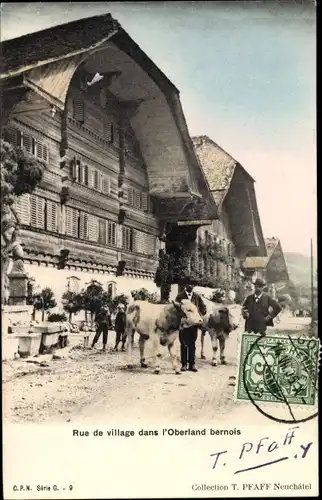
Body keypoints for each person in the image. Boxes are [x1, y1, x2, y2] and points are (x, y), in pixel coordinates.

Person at [176, 284, 207, 372]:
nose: (190, 286)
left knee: (192, 344)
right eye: (188, 284)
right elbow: (176, 309)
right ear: (185, 286)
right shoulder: (180, 296)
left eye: (192, 285)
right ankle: (184, 364)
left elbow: (204, 308)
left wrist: (198, 316)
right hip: (184, 325)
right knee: (184, 344)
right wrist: (182, 317)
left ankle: (192, 364)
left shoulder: (197, 296)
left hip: (193, 325)